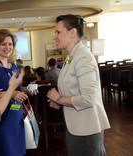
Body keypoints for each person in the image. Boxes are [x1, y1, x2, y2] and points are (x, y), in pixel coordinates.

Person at [46, 14, 110, 156]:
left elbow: (88, 99)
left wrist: (59, 99)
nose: (54, 37)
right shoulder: (72, 56)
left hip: (86, 128)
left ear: (72, 32)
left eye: (58, 32)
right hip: (78, 126)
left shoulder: (83, 56)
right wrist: (62, 100)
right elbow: (75, 91)